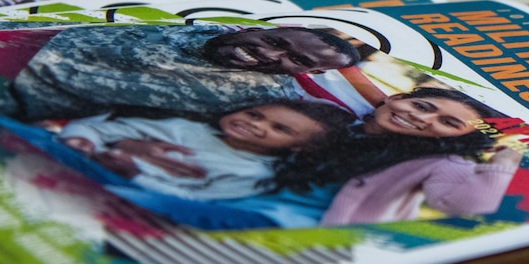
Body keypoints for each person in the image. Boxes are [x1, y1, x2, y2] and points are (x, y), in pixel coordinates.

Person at [0, 23, 360, 121]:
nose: (267, 53)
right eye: (276, 41)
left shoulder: (251, 92)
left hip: (6, 88)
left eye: (296, 61)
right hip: (2, 41)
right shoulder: (205, 28)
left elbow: (85, 84)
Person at [59, 98, 359, 201]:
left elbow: (195, 201)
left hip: (123, 192)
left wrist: (135, 174)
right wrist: (82, 141)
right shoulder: (185, 128)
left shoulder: (253, 174)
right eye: (255, 114)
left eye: (280, 129)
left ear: (300, 147)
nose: (256, 124)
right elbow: (98, 129)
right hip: (76, 160)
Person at [320, 87, 524, 225]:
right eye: (420, 106)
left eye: (449, 123)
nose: (420, 117)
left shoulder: (439, 162)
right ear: (396, 98)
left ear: (463, 137)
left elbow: (470, 206)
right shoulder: (330, 118)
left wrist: (504, 164)